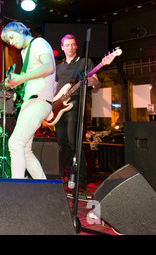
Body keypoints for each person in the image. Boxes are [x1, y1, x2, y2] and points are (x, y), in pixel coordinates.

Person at [1, 21, 56, 179]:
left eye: (12, 37)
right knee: (24, 150)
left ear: (21, 30)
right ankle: (44, 188)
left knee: (15, 143)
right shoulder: (25, 52)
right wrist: (15, 82)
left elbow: (49, 67)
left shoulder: (38, 43)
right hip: (31, 101)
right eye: (8, 41)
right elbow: (33, 77)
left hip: (38, 100)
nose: (11, 42)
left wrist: (20, 78)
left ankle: (16, 190)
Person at [54, 34, 100, 192]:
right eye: (67, 45)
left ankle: (81, 180)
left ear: (76, 46)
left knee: (73, 142)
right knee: (62, 143)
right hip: (58, 108)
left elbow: (96, 83)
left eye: (73, 45)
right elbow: (54, 88)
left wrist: (93, 82)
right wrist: (50, 105)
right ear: (62, 47)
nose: (70, 47)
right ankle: (69, 175)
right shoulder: (58, 67)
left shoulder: (84, 62)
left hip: (74, 104)